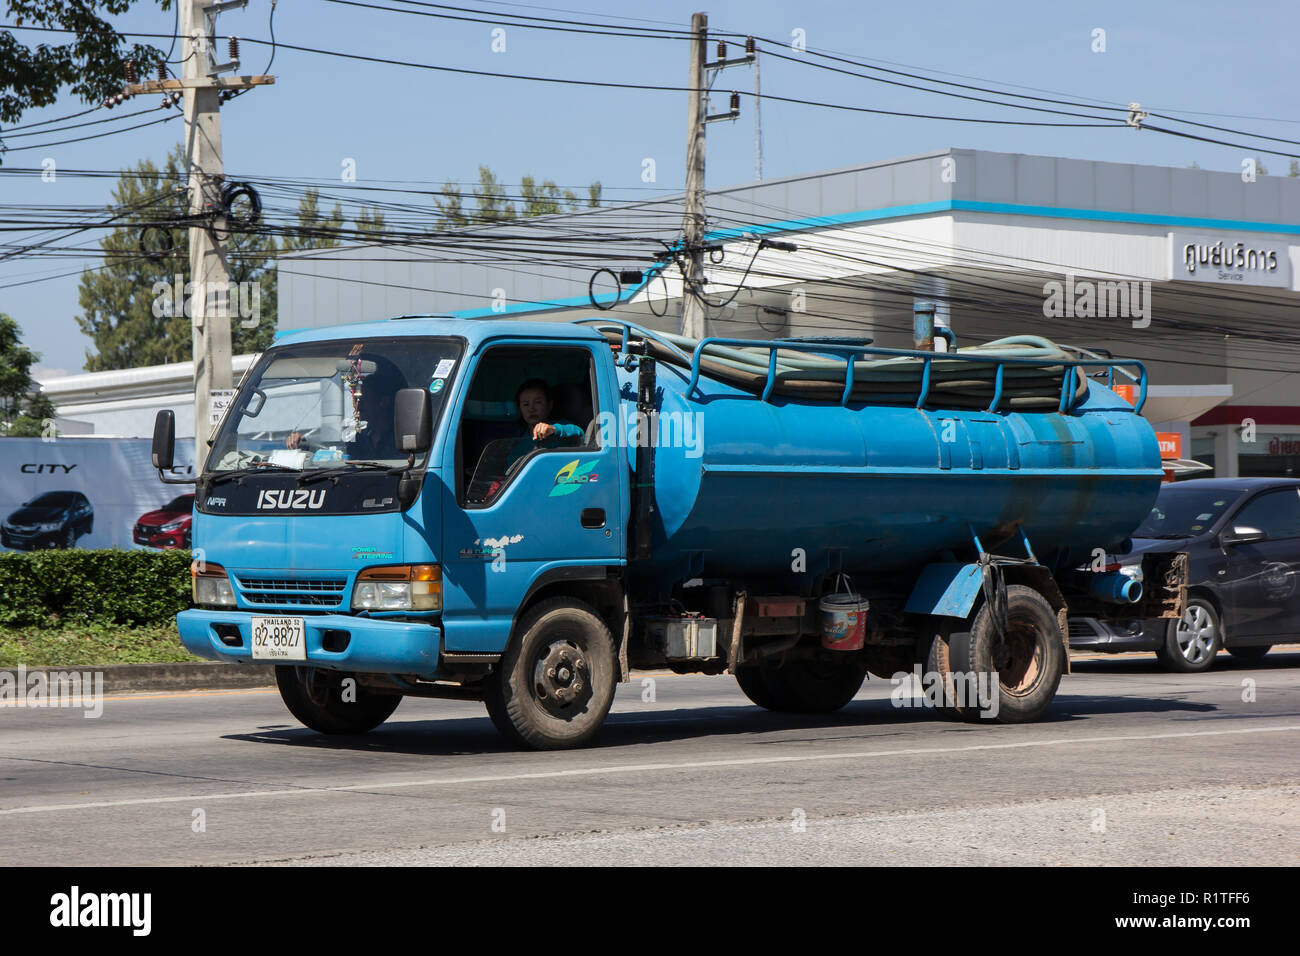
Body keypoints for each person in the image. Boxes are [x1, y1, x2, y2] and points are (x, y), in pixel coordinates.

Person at [507, 378, 583, 467]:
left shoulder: (561, 427)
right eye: (526, 404)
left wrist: (553, 429)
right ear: (519, 408)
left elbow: (579, 433)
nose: (531, 409)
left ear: (550, 405)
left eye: (538, 402)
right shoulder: (518, 437)